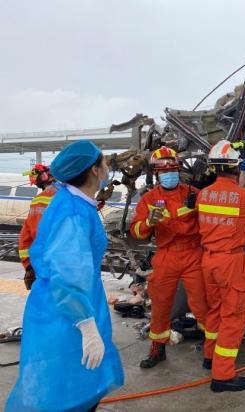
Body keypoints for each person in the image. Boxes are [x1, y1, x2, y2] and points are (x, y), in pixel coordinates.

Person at [6, 140, 124, 412]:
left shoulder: (73, 201)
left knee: (76, 383)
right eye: (103, 161)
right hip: (68, 311)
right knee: (64, 390)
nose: (107, 165)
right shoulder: (73, 212)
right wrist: (86, 325)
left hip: (74, 304)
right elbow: (66, 273)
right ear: (94, 170)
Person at [198, 140, 245, 392]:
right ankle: (222, 376)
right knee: (234, 315)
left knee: (216, 310)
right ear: (236, 166)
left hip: (208, 260)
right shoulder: (244, 196)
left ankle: (210, 358)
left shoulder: (203, 194)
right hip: (231, 262)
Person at [130, 146, 207, 368]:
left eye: (172, 169)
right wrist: (148, 223)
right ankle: (157, 349)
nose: (168, 174)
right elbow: (136, 232)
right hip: (166, 254)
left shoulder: (193, 193)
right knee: (161, 305)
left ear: (179, 169)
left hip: (193, 253)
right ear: (156, 173)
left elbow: (209, 223)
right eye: (163, 171)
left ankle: (211, 352)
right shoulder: (149, 199)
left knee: (202, 303)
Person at [18, 164, 58, 290]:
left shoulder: (37, 201)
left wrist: (29, 267)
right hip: (64, 263)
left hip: (41, 264)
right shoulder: (69, 195)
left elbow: (25, 238)